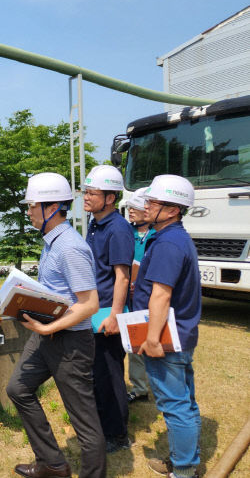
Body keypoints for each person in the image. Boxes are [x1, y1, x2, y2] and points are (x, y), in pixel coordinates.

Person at [7, 172, 106, 478]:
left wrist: (49, 328)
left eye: (32, 205)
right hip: (48, 335)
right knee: (18, 388)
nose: (28, 211)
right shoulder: (51, 242)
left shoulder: (70, 247)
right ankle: (52, 464)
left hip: (70, 343)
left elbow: (90, 304)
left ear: (51, 207)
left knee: (84, 422)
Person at [134, 175, 201, 478]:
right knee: (185, 403)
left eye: (153, 202)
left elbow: (161, 295)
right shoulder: (173, 238)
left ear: (173, 210)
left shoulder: (169, 243)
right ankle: (185, 460)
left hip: (165, 339)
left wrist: (151, 339)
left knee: (175, 407)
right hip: (179, 335)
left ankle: (184, 470)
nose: (146, 206)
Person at [83, 164, 134, 453]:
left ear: (110, 198)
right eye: (86, 192)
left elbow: (122, 276)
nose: (87, 197)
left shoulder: (118, 229)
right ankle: (102, 427)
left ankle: (117, 435)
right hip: (94, 311)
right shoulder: (94, 223)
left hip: (107, 313)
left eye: (93, 193)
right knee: (96, 373)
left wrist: (115, 314)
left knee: (110, 375)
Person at [125, 187, 155, 404]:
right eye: (129, 208)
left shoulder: (157, 236)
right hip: (130, 297)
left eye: (134, 208)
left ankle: (157, 383)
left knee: (154, 340)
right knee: (134, 341)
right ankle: (140, 387)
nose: (130, 212)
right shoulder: (127, 232)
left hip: (151, 296)